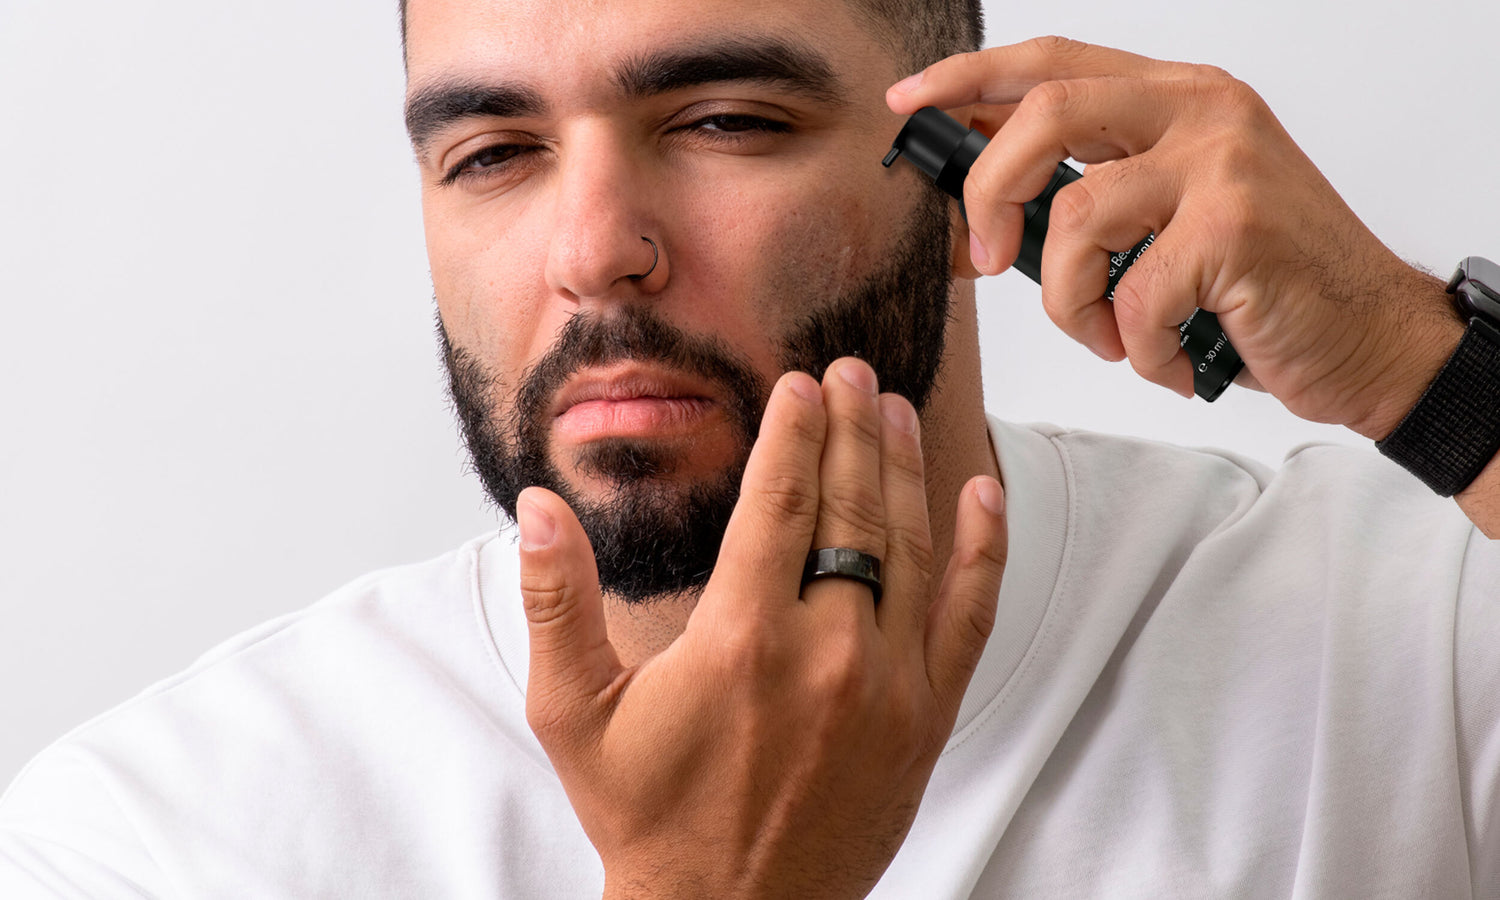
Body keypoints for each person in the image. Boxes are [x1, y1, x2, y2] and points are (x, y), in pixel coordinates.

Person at [3, 0, 1497, 896]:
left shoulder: (1403, 638)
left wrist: (1427, 373)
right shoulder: (163, 839)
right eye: (493, 155)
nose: (596, 253)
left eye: (723, 120)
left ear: (973, 167)